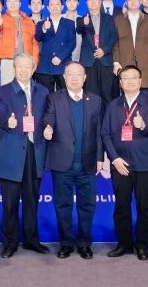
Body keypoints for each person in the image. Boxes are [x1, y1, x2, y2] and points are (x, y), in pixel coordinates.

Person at [43, 62, 104, 259]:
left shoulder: (95, 100)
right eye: (70, 74)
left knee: (87, 205)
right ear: (64, 77)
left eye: (79, 74)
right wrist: (48, 127)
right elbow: (48, 118)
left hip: (88, 163)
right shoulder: (54, 98)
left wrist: (100, 157)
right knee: (63, 205)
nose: (75, 78)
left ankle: (85, 243)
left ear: (85, 78)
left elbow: (99, 132)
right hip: (62, 162)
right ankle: (66, 243)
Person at [0, 53, 49, 257]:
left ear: (33, 69)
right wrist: (7, 120)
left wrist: (49, 125)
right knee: (10, 203)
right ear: (14, 69)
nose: (24, 70)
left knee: (32, 201)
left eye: (28, 67)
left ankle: (32, 240)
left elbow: (48, 114)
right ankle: (9, 243)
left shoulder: (43, 91)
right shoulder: (3, 91)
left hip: (35, 151)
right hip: (12, 153)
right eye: (20, 67)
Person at [101, 65, 148, 260]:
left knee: (144, 207)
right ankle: (124, 244)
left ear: (140, 81)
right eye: (125, 78)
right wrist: (115, 159)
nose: (130, 81)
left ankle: (142, 244)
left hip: (144, 162)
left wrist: (144, 125)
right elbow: (105, 134)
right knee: (121, 206)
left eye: (134, 77)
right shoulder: (113, 105)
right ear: (120, 82)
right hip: (120, 164)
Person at [76, 0, 118, 102]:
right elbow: (79, 30)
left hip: (105, 59)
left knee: (107, 94)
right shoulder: (81, 19)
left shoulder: (109, 18)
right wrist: (84, 24)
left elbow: (114, 36)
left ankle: (107, 114)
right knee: (90, 95)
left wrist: (104, 50)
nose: (93, 2)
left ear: (100, 2)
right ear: (86, 3)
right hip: (88, 61)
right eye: (90, 0)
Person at [112, 0, 148, 90]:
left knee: (145, 95)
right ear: (126, 2)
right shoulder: (118, 20)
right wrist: (116, 62)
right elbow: (115, 44)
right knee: (127, 94)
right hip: (125, 62)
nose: (133, 2)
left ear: (140, 1)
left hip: (144, 64)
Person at [0, 0, 38, 87]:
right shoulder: (2, 18)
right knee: (6, 88)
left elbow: (34, 43)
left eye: (15, 1)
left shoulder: (29, 21)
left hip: (25, 60)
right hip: (8, 60)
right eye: (9, 1)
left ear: (20, 3)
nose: (12, 4)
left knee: (24, 88)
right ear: (6, 4)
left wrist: (34, 61)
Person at [34, 0, 75, 91]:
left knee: (64, 95)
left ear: (62, 7)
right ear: (48, 8)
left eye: (57, 4)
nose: (55, 7)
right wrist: (44, 28)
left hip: (63, 64)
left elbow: (72, 43)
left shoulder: (70, 23)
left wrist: (60, 57)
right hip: (45, 66)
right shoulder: (41, 23)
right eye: (51, 4)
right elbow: (37, 38)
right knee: (45, 95)